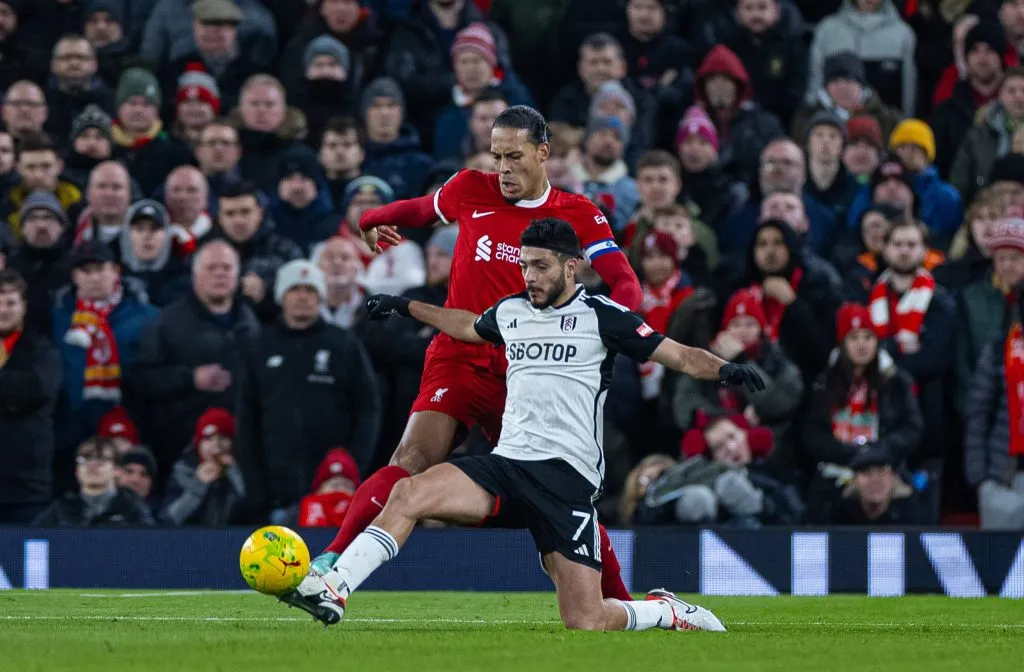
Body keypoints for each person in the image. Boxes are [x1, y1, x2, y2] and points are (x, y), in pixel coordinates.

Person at [284, 217, 763, 629]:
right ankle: (336, 587)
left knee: (587, 621)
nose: (528, 276)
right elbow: (466, 325)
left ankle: (664, 611)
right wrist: (404, 305)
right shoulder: (512, 311)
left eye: (539, 266)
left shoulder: (602, 316)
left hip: (564, 481)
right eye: (524, 265)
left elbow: (676, 354)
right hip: (507, 465)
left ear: (570, 266)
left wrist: (724, 369)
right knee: (409, 492)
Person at [316, 105, 644, 605]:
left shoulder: (578, 214)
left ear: (543, 153)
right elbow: (420, 210)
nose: (503, 169)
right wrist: (372, 217)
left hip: (528, 367)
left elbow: (623, 280)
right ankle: (332, 560)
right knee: (410, 458)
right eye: (496, 157)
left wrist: (611, 323)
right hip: (458, 353)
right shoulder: (472, 188)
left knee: (562, 494)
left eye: (514, 156)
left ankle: (622, 601)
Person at [237, 260, 380, 522]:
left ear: (321, 297)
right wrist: (256, 487)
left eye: (310, 290)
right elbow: (246, 420)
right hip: (276, 494)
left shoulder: (344, 344)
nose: (303, 296)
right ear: (282, 296)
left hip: (334, 492)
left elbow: (368, 410)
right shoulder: (260, 346)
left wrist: (352, 466)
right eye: (295, 289)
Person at [126, 240, 259, 473]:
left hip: (240, 445)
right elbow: (140, 378)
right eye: (212, 268)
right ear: (195, 275)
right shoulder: (167, 321)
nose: (220, 274)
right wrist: (190, 378)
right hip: (181, 448)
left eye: (227, 268)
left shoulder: (249, 319)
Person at [0, 269, 61, 525]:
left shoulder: (42, 350)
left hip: (25, 487)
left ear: (24, 306)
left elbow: (33, 390)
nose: (4, 310)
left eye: (11, 303)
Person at [33, 435, 155, 527]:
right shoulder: (60, 509)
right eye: (85, 460)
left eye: (101, 459)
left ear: (117, 470)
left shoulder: (133, 508)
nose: (92, 466)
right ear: (77, 470)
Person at [160, 407, 245, 526]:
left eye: (223, 438)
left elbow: (253, 510)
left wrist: (234, 473)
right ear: (198, 443)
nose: (216, 446)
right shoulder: (183, 471)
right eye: (208, 439)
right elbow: (170, 519)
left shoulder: (243, 469)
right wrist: (198, 485)